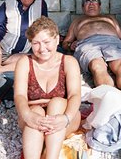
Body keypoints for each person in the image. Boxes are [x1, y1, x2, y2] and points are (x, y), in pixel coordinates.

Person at [14, 16, 81, 159]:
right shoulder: (25, 62)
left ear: (57, 40)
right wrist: (27, 115)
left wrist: (65, 118)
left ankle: (51, 156)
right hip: (33, 115)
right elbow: (19, 95)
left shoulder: (69, 62)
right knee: (37, 111)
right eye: (36, 43)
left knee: (57, 102)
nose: (42, 48)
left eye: (46, 42)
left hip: (64, 117)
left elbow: (75, 95)